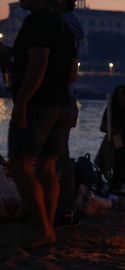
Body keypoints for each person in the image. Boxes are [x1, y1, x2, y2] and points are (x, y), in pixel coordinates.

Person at [8, 0, 75, 247]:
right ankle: (47, 228)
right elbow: (71, 73)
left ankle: (43, 229)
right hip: (62, 104)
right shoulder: (64, 26)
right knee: (47, 167)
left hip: (39, 105)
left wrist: (22, 101)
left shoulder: (36, 21)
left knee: (20, 164)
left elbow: (39, 61)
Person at [54, 0, 85, 228]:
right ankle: (65, 209)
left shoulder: (59, 24)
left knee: (53, 158)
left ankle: (62, 209)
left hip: (55, 99)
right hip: (65, 98)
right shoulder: (72, 26)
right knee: (59, 156)